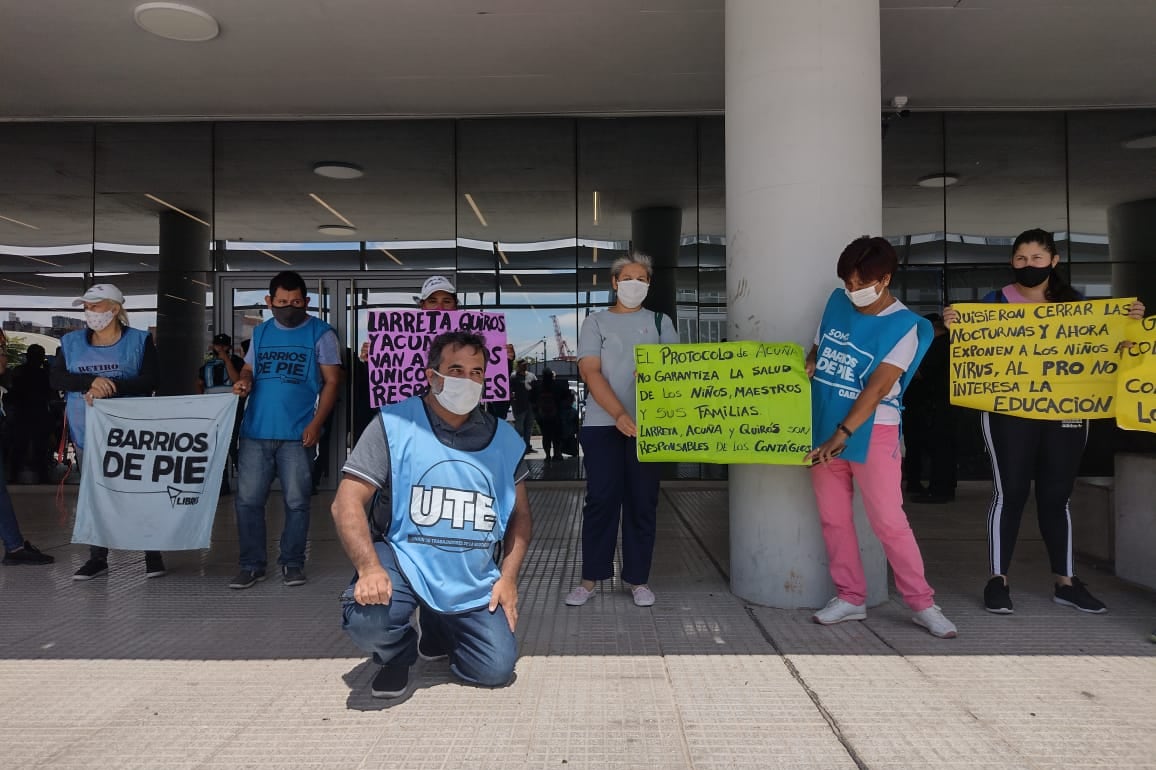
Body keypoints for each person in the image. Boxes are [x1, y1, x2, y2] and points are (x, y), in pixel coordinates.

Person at [943, 228, 1146, 615]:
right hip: (1008, 411)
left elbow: (1112, 350)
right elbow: (971, 351)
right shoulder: (993, 303)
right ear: (1011, 262)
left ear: (1053, 261)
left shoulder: (1078, 307)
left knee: (1057, 497)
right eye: (1021, 258)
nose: (1028, 265)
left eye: (1036, 258)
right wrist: (957, 325)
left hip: (1066, 411)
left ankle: (1066, 583)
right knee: (1010, 493)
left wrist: (1129, 325)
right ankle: (998, 580)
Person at [333, 331, 532, 699]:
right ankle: (396, 656)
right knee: (369, 621)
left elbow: (520, 516)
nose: (467, 380)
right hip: (403, 557)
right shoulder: (394, 424)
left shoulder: (504, 439)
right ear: (431, 375)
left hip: (469, 572)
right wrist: (369, 568)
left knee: (495, 669)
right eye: (456, 370)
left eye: (476, 372)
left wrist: (508, 579)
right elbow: (346, 501)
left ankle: (438, 625)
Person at [805, 236, 957, 639]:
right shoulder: (836, 303)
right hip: (823, 425)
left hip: (873, 431)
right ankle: (850, 597)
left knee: (889, 521)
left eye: (861, 283)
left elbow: (877, 388)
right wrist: (810, 361)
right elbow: (818, 347)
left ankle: (922, 604)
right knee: (834, 517)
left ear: (885, 278)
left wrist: (842, 434)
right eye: (848, 283)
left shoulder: (905, 326)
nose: (852, 290)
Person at [565, 253, 677, 608]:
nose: (634, 284)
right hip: (603, 423)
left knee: (642, 501)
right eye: (627, 278)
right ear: (615, 283)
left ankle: (638, 579)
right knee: (601, 500)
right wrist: (618, 414)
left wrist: (658, 375)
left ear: (649, 284)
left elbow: (676, 370)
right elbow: (590, 372)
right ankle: (590, 578)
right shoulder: (595, 322)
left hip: (649, 427)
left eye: (642, 279)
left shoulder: (660, 322)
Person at [229, 271, 343, 589]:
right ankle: (251, 565)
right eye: (281, 302)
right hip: (255, 432)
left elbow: (333, 381)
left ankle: (292, 562)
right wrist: (245, 381)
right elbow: (249, 368)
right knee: (248, 502)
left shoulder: (321, 334)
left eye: (295, 302)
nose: (288, 308)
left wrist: (316, 424)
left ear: (306, 301)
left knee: (297, 502)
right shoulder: (261, 332)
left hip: (298, 434)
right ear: (269, 301)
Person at [50, 283, 166, 580]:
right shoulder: (71, 342)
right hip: (87, 431)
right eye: (87, 307)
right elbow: (57, 378)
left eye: (96, 306)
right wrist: (89, 383)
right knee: (95, 494)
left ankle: (152, 554)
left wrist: (110, 387)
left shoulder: (139, 340)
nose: (90, 312)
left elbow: (150, 379)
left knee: (139, 492)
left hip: (130, 433)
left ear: (114, 309)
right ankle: (97, 557)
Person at [0, 337, 53, 566]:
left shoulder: (22, 374)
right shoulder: (28, 374)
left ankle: (14, 545)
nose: (5, 357)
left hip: (31, 417)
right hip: (29, 416)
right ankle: (14, 546)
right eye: (2, 351)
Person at [901, 314, 956, 503]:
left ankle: (939, 489)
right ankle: (941, 487)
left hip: (932, 403)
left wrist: (899, 365)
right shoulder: (949, 344)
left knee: (938, 446)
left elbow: (920, 373)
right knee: (940, 446)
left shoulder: (939, 345)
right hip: (936, 402)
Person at [197, 333, 246, 494]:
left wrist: (226, 359)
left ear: (229, 347)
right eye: (218, 346)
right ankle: (221, 484)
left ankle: (246, 481)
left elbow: (237, 379)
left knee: (232, 445)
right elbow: (200, 384)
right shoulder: (207, 363)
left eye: (224, 346)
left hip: (232, 410)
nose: (220, 349)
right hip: (213, 411)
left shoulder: (236, 362)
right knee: (216, 446)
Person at [6, 343, 56, 483]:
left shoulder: (22, 371)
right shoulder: (38, 373)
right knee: (31, 446)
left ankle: (17, 476)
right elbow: (50, 394)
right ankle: (41, 476)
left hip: (27, 413)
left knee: (26, 446)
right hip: (30, 412)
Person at [530, 368, 567, 462]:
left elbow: (531, 399)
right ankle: (557, 454)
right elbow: (565, 398)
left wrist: (536, 412)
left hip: (542, 416)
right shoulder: (557, 385)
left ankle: (547, 456)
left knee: (546, 436)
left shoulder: (537, 386)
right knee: (556, 436)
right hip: (556, 415)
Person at [510, 359, 535, 454]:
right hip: (519, 406)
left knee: (529, 427)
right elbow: (509, 390)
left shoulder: (531, 376)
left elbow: (536, 387)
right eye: (523, 365)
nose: (525, 366)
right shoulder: (513, 376)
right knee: (519, 427)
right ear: (518, 366)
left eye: (526, 365)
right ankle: (518, 446)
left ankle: (527, 446)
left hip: (530, 405)